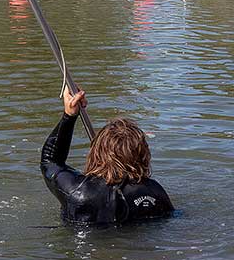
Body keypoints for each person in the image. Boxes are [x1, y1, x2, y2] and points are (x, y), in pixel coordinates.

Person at [41, 85, 173, 225]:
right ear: (142, 155)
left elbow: (50, 161)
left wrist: (69, 115)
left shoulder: (78, 192)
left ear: (96, 152)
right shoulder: (155, 192)